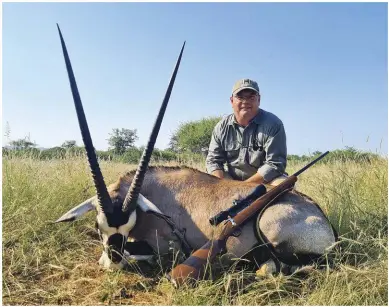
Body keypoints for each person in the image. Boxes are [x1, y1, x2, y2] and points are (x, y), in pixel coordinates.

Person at [206, 78, 287, 185]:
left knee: (282, 184)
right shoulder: (221, 127)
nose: (246, 101)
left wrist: (244, 187)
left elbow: (275, 164)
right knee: (206, 181)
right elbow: (213, 161)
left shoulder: (273, 124)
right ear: (232, 101)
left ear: (259, 100)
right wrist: (222, 186)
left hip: (264, 181)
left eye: (251, 97)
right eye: (240, 97)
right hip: (231, 181)